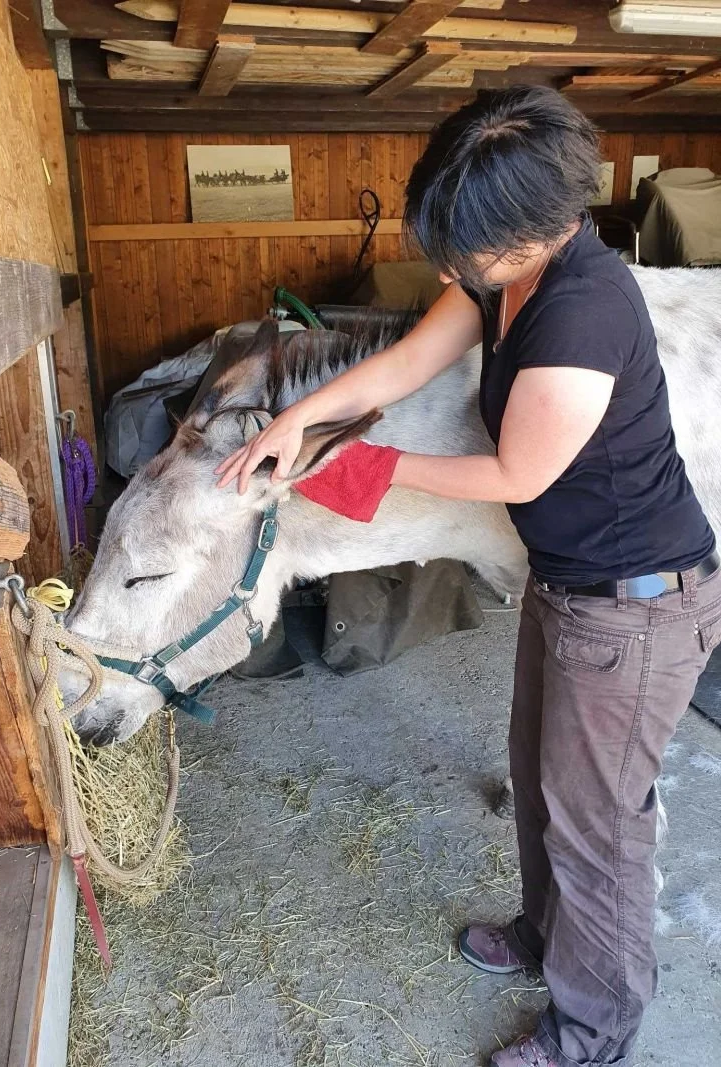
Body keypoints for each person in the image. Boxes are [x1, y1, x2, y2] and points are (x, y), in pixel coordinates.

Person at [216, 86, 720, 1067]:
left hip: (635, 602)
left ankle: (592, 1027)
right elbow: (406, 360)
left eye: (466, 250)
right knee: (542, 778)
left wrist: (359, 466)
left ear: (541, 224)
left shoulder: (579, 312)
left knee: (599, 828)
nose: (452, 268)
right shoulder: (504, 267)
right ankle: (544, 935)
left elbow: (517, 473)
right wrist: (298, 421)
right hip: (575, 581)